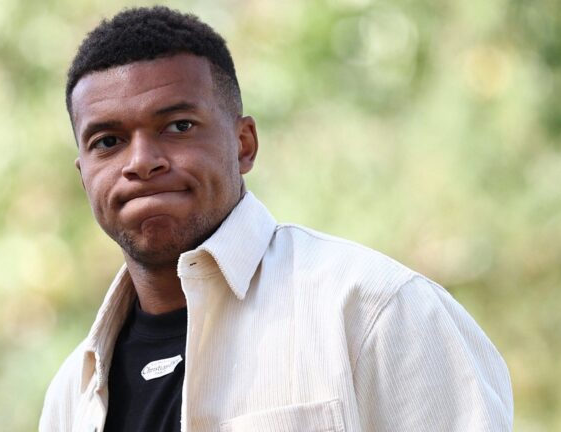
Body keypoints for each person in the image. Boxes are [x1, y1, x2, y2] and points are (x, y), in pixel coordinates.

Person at [39, 6, 513, 432]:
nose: (142, 161)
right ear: (84, 174)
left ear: (244, 144)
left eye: (179, 126)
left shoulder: (375, 311)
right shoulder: (71, 396)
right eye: (107, 141)